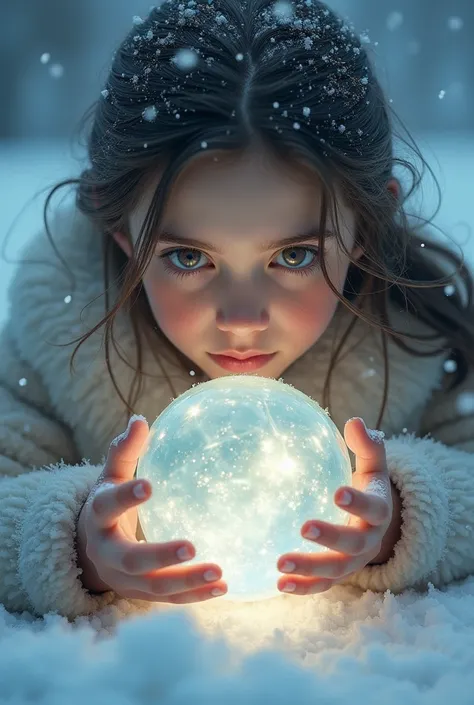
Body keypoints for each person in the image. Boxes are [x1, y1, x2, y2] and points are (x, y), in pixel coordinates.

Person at [1, 0, 474, 623]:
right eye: (191, 259)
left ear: (366, 228)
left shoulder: (412, 331)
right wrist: (72, 543)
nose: (244, 317)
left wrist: (405, 519)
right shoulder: (60, 334)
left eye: (297, 256)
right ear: (122, 233)